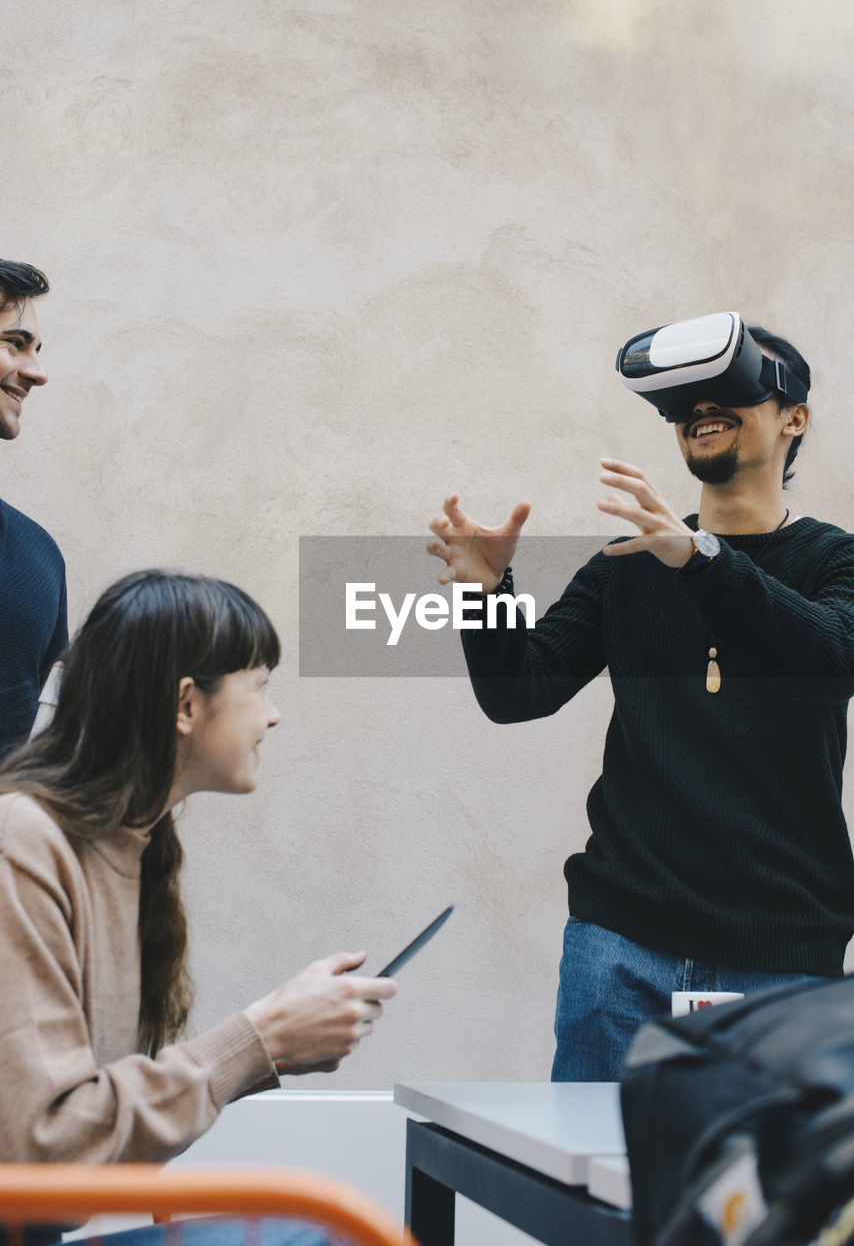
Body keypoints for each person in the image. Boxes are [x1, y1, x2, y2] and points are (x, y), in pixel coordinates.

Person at [427, 321, 854, 1082]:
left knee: (751, 1202)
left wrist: (702, 561)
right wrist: (487, 597)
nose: (702, 405)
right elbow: (519, 690)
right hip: (618, 948)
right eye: (687, 397)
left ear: (795, 416)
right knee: (589, 1196)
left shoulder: (836, 560)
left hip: (780, 966)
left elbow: (827, 663)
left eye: (736, 385)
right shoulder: (628, 565)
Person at [0, 570, 396, 1245]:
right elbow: (48, 1156)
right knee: (331, 1233)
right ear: (186, 704)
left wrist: (268, 1039)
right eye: (259, 686)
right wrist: (259, 1040)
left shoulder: (133, 847)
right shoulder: (24, 841)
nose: (273, 715)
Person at [0, 258, 67, 760]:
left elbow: (45, 750)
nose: (37, 373)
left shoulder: (39, 557)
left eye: (36, 349)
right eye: (14, 343)